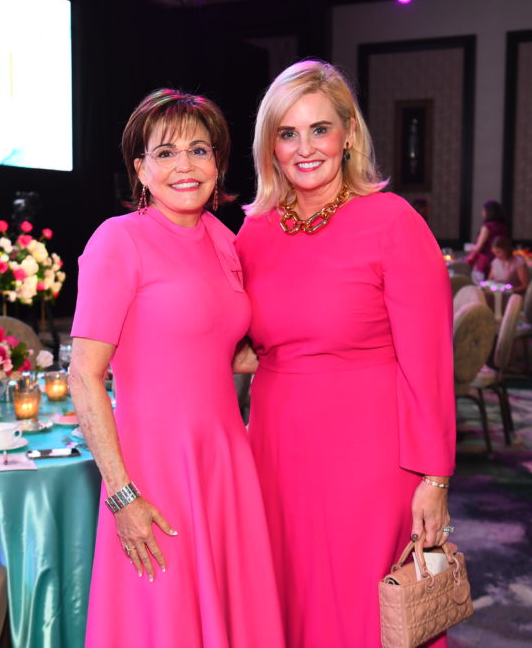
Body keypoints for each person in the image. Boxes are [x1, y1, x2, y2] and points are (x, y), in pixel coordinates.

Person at [235, 60, 455, 648]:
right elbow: (235, 340)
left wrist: (434, 477)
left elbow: (428, 362)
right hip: (276, 447)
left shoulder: (392, 222)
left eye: (319, 129)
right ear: (270, 146)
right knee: (289, 593)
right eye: (287, 133)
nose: (304, 148)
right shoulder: (252, 233)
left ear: (349, 134)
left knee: (361, 607)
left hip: (371, 452)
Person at [68, 89, 284, 647]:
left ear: (217, 163)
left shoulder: (224, 240)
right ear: (140, 169)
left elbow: (221, 342)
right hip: (154, 470)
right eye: (164, 153)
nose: (184, 165)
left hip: (225, 461)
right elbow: (84, 374)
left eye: (199, 150)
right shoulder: (119, 241)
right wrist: (121, 494)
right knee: (163, 621)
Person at [465, 199, 508, 277]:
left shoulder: (487, 227)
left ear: (488, 212)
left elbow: (478, 248)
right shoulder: (502, 226)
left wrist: (469, 247)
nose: (482, 213)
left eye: (483, 211)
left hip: (486, 260)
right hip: (499, 259)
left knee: (483, 283)